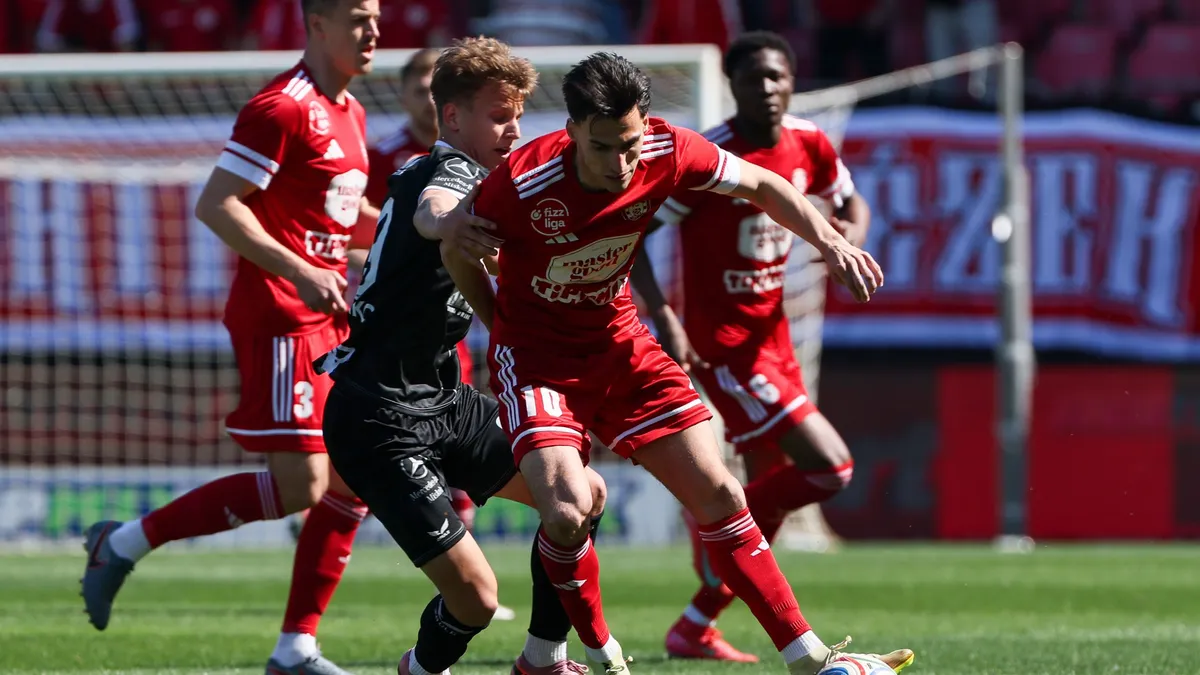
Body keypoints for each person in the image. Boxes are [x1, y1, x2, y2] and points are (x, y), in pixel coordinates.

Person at [436, 51, 913, 674]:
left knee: (720, 493)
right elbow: (456, 252)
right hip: (538, 361)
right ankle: (584, 655)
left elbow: (763, 184)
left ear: (646, 125)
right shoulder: (521, 183)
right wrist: (504, 327)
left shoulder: (670, 148)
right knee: (568, 509)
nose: (620, 164)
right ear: (573, 130)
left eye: (629, 145)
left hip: (620, 344)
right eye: (602, 148)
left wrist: (829, 240)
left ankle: (810, 658)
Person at [81, 2, 381, 673]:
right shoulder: (281, 108)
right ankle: (124, 542)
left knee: (354, 474)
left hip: (329, 317)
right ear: (318, 23)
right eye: (359, 18)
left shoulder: (352, 112)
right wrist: (300, 269)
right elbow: (217, 203)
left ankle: (295, 647)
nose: (373, 32)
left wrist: (417, 228)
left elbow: (343, 215)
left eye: (378, 17)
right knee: (302, 485)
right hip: (281, 314)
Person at [317, 36, 605, 675]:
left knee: (580, 493)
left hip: (443, 398)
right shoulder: (450, 173)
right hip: (379, 416)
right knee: (476, 601)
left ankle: (543, 660)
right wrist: (449, 226)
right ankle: (418, 670)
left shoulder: (491, 184)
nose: (514, 130)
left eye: (518, 116)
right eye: (498, 116)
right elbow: (434, 212)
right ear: (452, 117)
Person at [628, 31, 871, 663]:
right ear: (732, 86)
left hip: (776, 338)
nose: (766, 88)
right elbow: (636, 236)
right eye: (753, 77)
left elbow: (850, 200)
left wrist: (847, 239)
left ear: (792, 81)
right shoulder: (712, 159)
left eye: (776, 76)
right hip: (727, 348)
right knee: (830, 467)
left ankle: (695, 623)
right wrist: (665, 317)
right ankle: (713, 525)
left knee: (771, 502)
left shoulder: (810, 141)